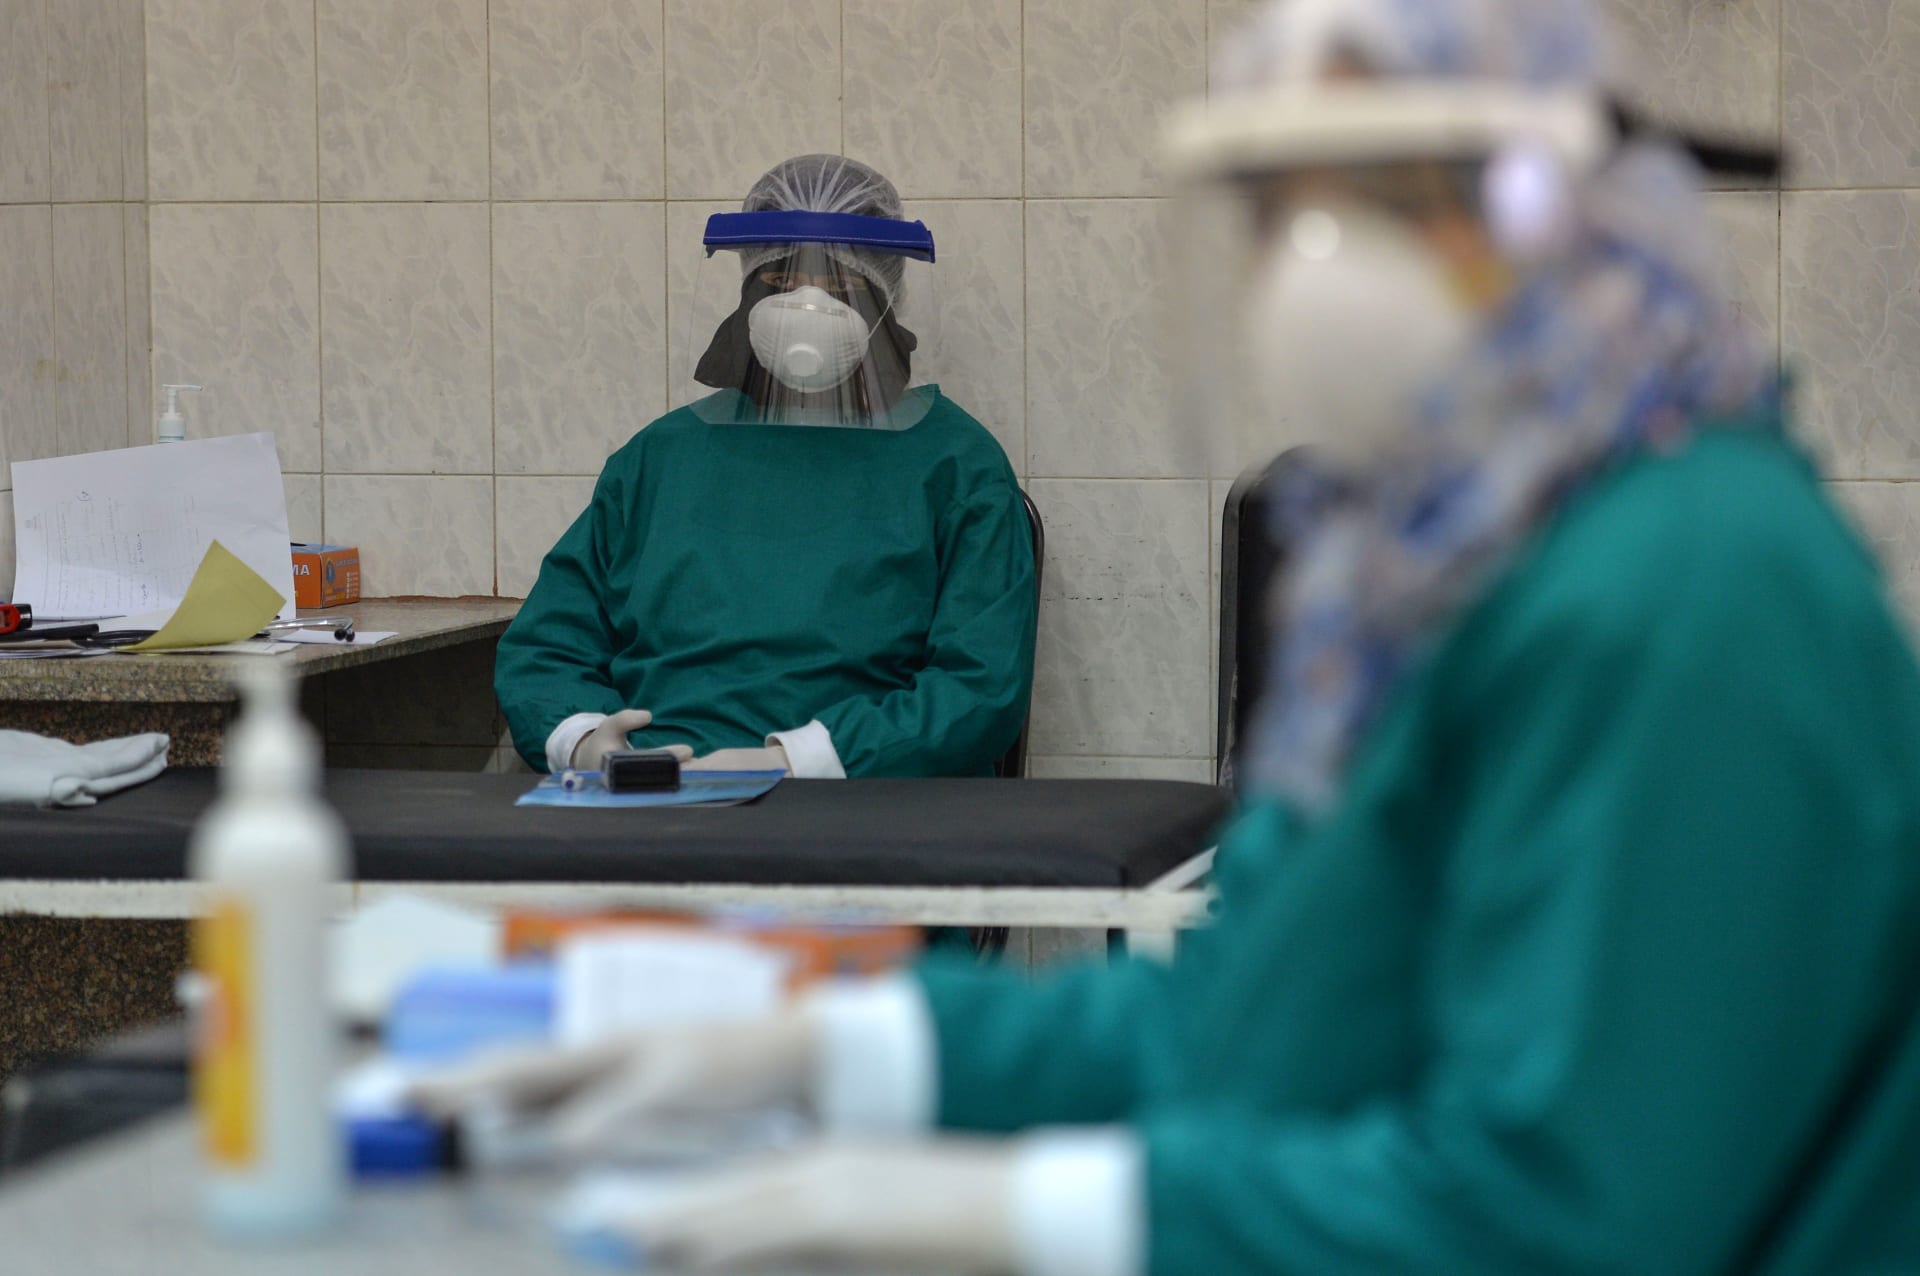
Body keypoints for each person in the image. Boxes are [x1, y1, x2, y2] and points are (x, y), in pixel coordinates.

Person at [424, 3, 1920, 1272]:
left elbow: (1567, 1215)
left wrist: (1029, 1210)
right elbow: (1251, 1016)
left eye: (1373, 203)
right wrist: (833, 1043)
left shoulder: (1696, 581)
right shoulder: (1442, 583)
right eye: (1274, 219)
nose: (1303, 272)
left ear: (1553, 210)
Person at [495, 155, 1036, 778]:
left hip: (861, 796)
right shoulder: (659, 459)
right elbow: (547, 645)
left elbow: (979, 686)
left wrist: (794, 761)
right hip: (654, 789)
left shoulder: (956, 466)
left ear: (885, 298)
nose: (807, 305)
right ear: (747, 287)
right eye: (780, 280)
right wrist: (585, 739)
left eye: (842, 286)